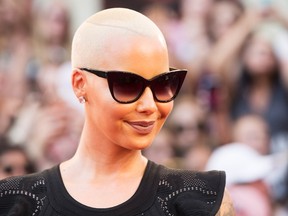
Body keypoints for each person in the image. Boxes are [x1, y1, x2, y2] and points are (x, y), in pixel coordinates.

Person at [0, 8, 233, 215]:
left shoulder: (202, 198)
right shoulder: (14, 201)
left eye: (164, 83)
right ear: (80, 84)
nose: (149, 105)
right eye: (127, 84)